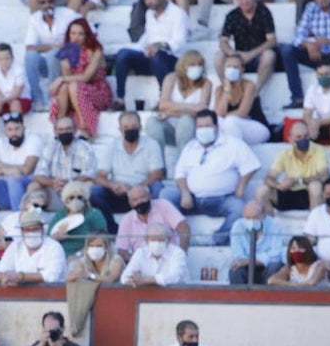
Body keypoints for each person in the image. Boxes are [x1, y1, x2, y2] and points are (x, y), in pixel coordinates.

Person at [162, 109, 260, 244]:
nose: (203, 130)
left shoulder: (233, 144)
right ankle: (176, 236)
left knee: (239, 209)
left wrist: (240, 189)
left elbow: (251, 166)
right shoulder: (190, 146)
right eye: (200, 127)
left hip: (222, 199)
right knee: (166, 195)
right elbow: (180, 174)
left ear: (216, 126)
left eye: (207, 126)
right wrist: (185, 193)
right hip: (192, 199)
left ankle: (217, 241)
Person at [113, 0, 188, 109]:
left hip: (171, 60)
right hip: (151, 58)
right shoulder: (149, 14)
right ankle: (120, 99)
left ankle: (163, 98)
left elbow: (179, 42)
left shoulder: (178, 14)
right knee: (123, 54)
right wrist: (138, 50)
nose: (148, 1)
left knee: (157, 56)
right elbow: (147, 38)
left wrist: (159, 46)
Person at [91, 112, 165, 232]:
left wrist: (137, 188)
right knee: (95, 192)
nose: (130, 129)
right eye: (126, 127)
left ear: (140, 128)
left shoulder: (151, 144)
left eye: (133, 126)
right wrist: (113, 185)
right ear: (120, 130)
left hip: (143, 192)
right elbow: (99, 176)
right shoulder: (113, 146)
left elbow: (157, 174)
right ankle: (111, 229)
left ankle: (154, 227)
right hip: (119, 192)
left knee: (158, 188)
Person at [0, 113, 42, 237]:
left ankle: (18, 222)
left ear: (23, 128)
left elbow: (27, 169)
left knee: (13, 179)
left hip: (27, 192)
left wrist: (0, 167)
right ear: (5, 131)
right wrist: (9, 169)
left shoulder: (33, 140)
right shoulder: (1, 143)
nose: (14, 133)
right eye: (10, 130)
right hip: (6, 193)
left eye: (17, 129)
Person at [48, 18, 111, 140]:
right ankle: (60, 127)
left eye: (80, 34)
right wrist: (66, 66)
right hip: (74, 92)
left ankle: (85, 127)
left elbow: (86, 77)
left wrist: (62, 78)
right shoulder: (67, 50)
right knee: (64, 87)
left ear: (86, 35)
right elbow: (69, 77)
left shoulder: (96, 51)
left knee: (72, 85)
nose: (76, 37)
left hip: (97, 90)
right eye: (73, 33)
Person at [143, 50, 212, 155]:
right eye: (192, 65)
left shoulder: (206, 83)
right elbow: (163, 105)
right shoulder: (171, 78)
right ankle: (157, 165)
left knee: (186, 120)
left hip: (192, 127)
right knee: (152, 122)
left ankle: (184, 163)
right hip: (171, 127)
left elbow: (201, 110)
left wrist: (170, 112)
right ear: (183, 66)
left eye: (199, 64)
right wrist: (192, 107)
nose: (197, 67)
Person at [215, 0, 277, 92]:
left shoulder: (263, 12)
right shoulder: (232, 15)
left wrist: (251, 54)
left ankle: (255, 92)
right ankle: (228, 89)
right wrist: (231, 52)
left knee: (269, 55)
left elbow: (272, 41)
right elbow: (223, 40)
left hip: (258, 55)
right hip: (239, 56)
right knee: (219, 57)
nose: (245, 2)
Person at [23, 0, 79, 111]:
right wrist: (53, 46)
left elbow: (84, 34)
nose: (47, 5)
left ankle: (53, 97)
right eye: (43, 2)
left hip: (68, 62)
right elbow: (29, 47)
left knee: (53, 54)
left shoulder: (68, 15)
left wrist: (57, 49)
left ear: (56, 2)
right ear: (38, 4)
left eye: (50, 1)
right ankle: (37, 99)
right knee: (30, 56)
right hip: (49, 62)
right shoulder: (35, 19)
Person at [256, 120, 328, 213]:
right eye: (298, 137)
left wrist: (298, 181)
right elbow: (268, 178)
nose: (303, 139)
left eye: (306, 136)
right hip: (289, 193)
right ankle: (270, 225)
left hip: (308, 193)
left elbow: (324, 175)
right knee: (262, 191)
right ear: (290, 139)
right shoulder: (284, 154)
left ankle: (314, 224)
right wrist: (279, 185)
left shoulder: (318, 150)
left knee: (315, 186)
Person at [30, 116, 97, 211]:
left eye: (68, 129)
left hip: (75, 191)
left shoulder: (85, 147)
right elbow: (39, 174)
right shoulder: (50, 147)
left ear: (75, 130)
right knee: (34, 186)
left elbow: (89, 175)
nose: (64, 132)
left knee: (89, 184)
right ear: (55, 131)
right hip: (54, 190)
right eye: (61, 129)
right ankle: (34, 216)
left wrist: (68, 183)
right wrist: (53, 182)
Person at [0, 188, 48, 280]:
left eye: (42, 207)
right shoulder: (12, 218)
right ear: (26, 203)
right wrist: (4, 246)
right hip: (5, 253)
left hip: (28, 255)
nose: (39, 209)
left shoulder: (42, 223)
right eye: (36, 205)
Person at [0, 209, 67, 285]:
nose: (32, 232)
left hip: (51, 294)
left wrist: (21, 276)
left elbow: (52, 276)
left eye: (35, 229)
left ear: (42, 229)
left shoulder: (54, 247)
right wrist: (5, 278)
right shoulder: (15, 246)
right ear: (22, 231)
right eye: (27, 230)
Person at [115, 184, 190, 259]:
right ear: (130, 204)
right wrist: (136, 262)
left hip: (168, 259)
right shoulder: (127, 219)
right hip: (141, 264)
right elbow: (122, 251)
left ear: (150, 196)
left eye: (142, 197)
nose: (140, 202)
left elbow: (184, 227)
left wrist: (181, 254)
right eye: (135, 200)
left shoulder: (163, 205)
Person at [212, 52, 269, 145]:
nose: (232, 70)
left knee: (230, 121)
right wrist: (227, 89)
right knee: (220, 121)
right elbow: (218, 114)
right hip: (233, 128)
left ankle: (236, 153)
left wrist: (225, 116)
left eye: (235, 67)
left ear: (242, 69)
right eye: (229, 67)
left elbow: (242, 112)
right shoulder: (219, 89)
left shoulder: (249, 85)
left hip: (256, 126)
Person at [228, 200, 285, 284]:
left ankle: (268, 296)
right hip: (246, 267)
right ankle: (239, 297)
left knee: (275, 266)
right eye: (247, 218)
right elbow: (238, 255)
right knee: (235, 270)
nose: (251, 221)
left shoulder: (274, 226)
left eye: (254, 217)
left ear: (263, 216)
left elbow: (275, 256)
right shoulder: (238, 226)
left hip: (266, 267)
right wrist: (248, 261)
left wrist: (250, 261)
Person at [47, 181, 106, 257]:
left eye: (80, 197)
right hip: (60, 255)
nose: (75, 200)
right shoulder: (60, 215)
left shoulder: (94, 214)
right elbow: (48, 240)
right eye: (71, 197)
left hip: (86, 256)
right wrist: (55, 238)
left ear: (85, 199)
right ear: (65, 199)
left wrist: (77, 255)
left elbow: (103, 238)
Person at [121, 222, 190, 286]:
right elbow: (124, 278)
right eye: (153, 239)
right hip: (147, 296)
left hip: (178, 295)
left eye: (161, 240)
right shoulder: (140, 253)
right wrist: (133, 279)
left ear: (168, 240)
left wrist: (145, 279)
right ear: (146, 240)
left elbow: (175, 277)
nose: (157, 243)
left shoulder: (178, 253)